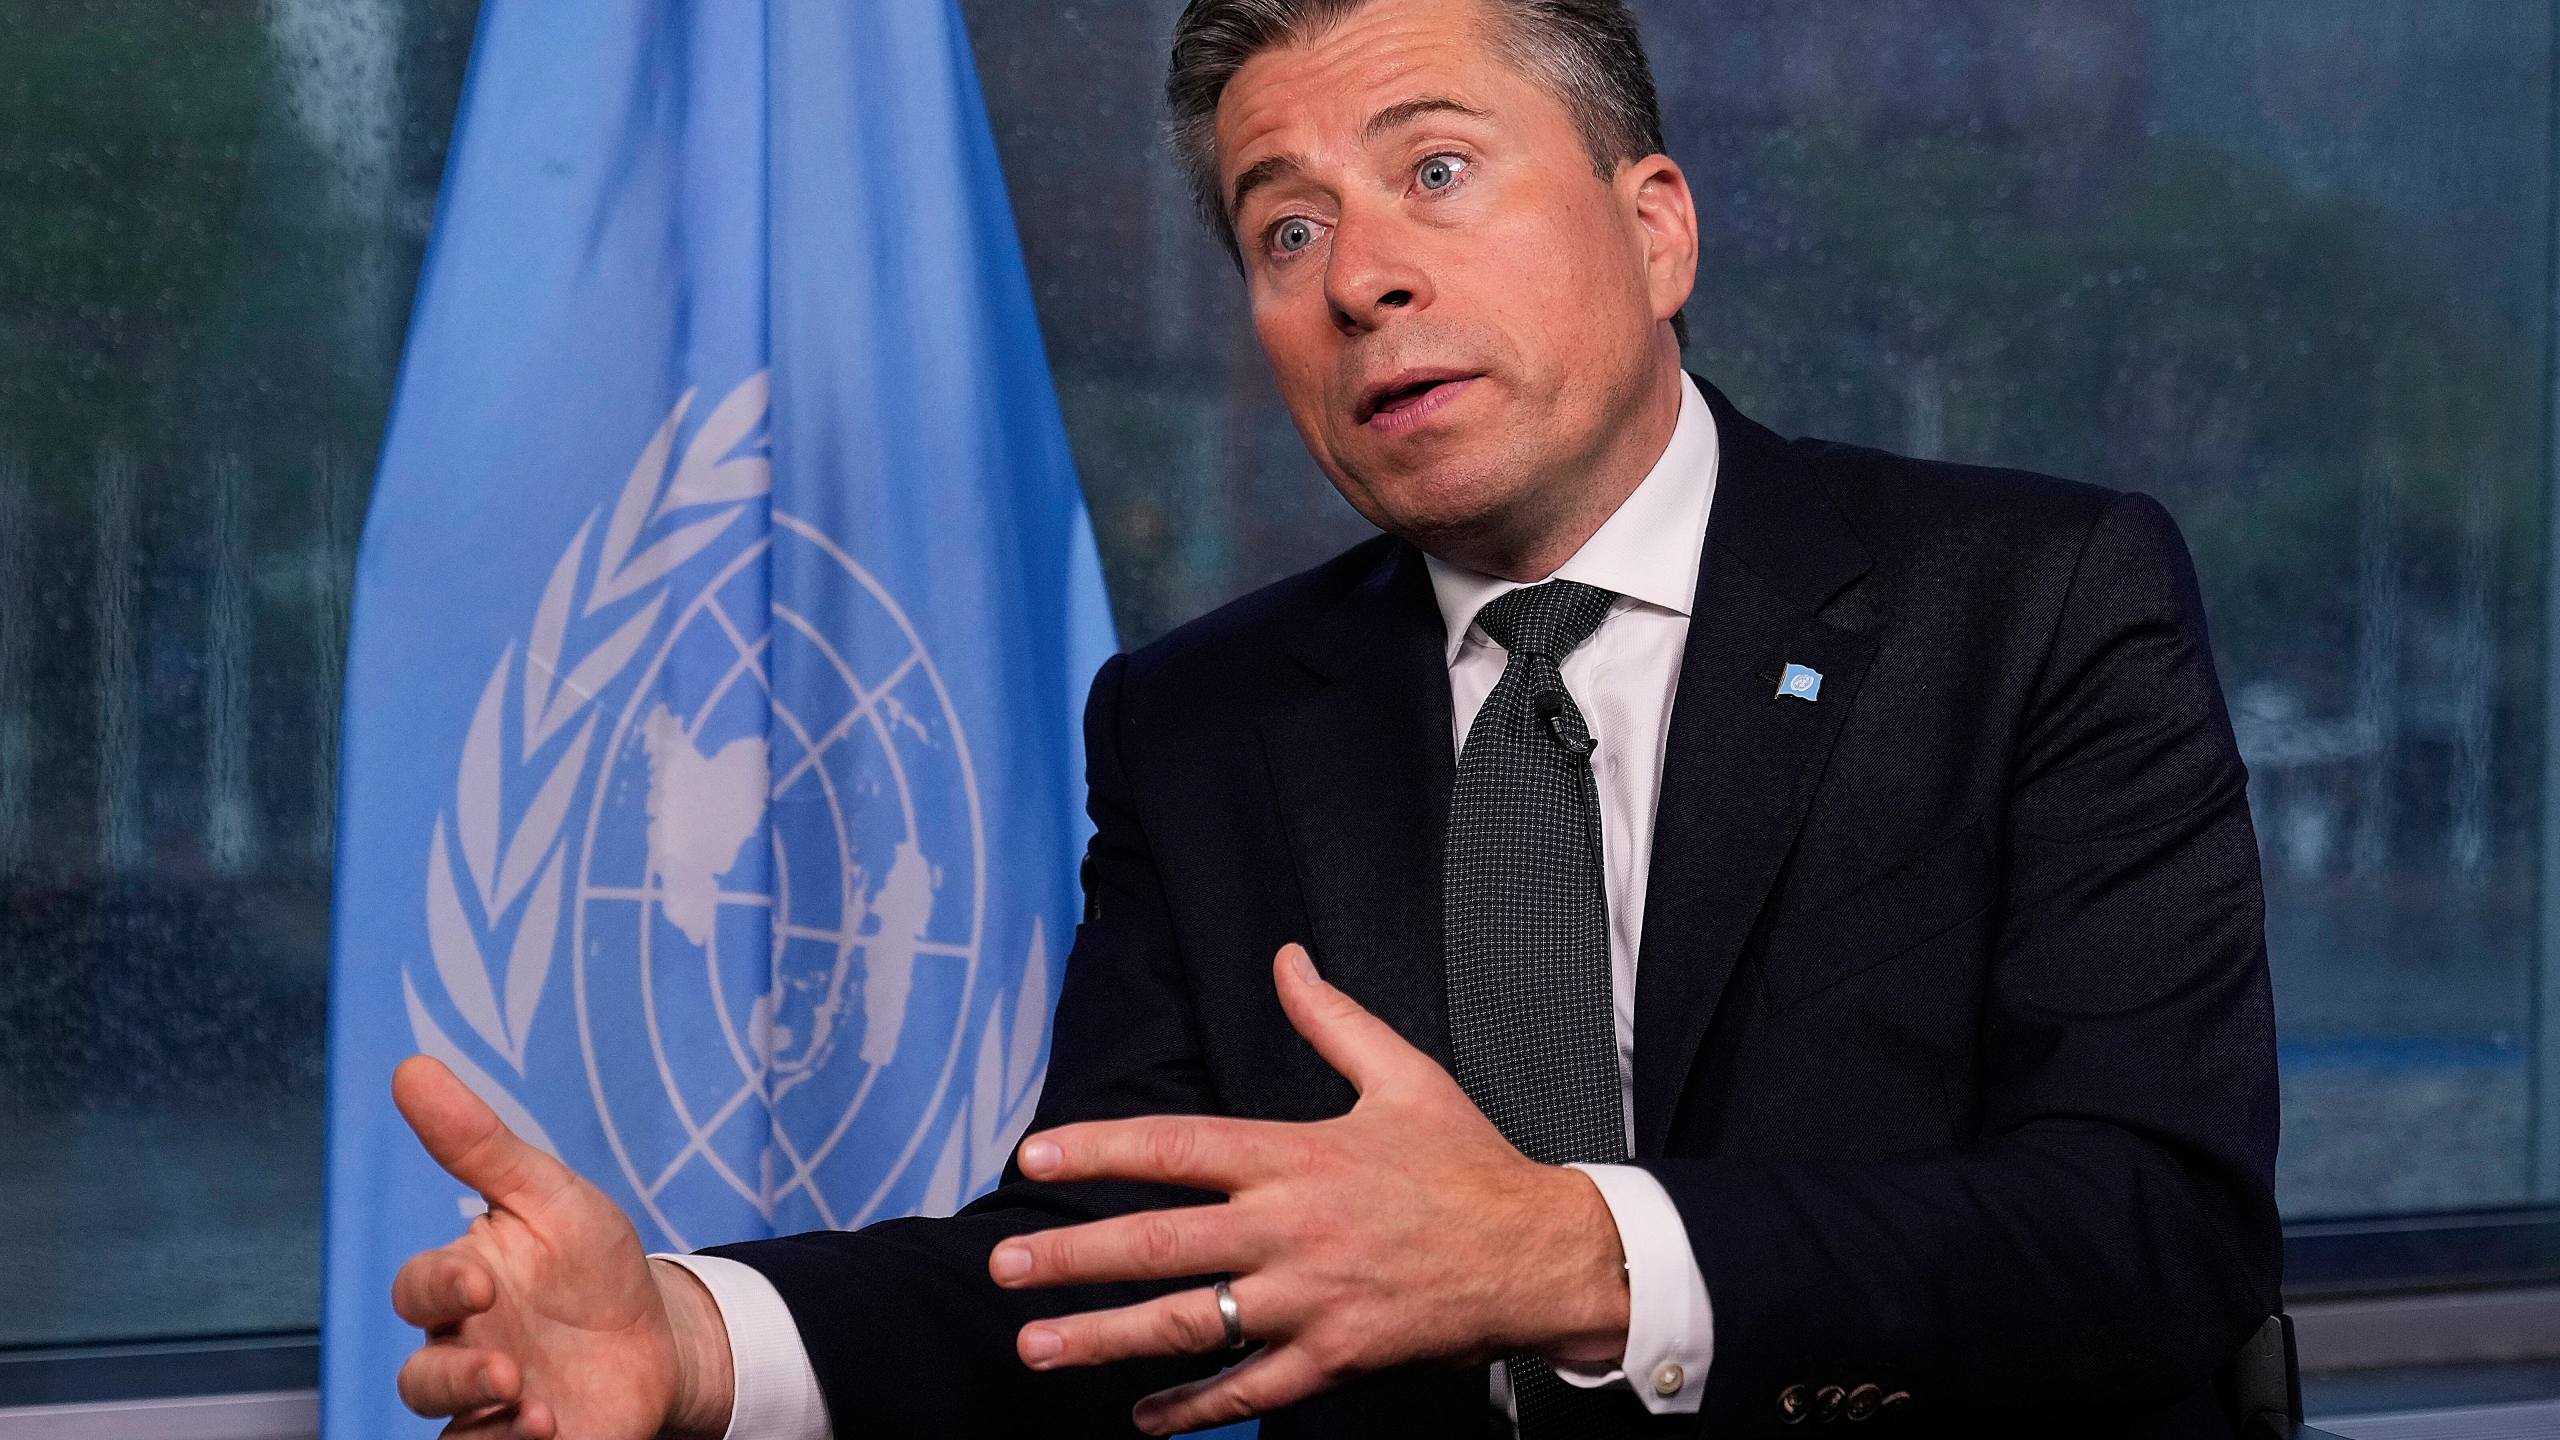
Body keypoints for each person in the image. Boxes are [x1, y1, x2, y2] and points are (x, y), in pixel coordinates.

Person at [385, 0, 2282, 1435]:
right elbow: (1101, 1269)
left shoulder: (2030, 601)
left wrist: (1571, 1256)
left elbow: (2154, 1235)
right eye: (1282, 232)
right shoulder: (1200, 722)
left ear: (1657, 229)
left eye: (1436, 172)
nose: (1361, 275)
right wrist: (696, 1343)